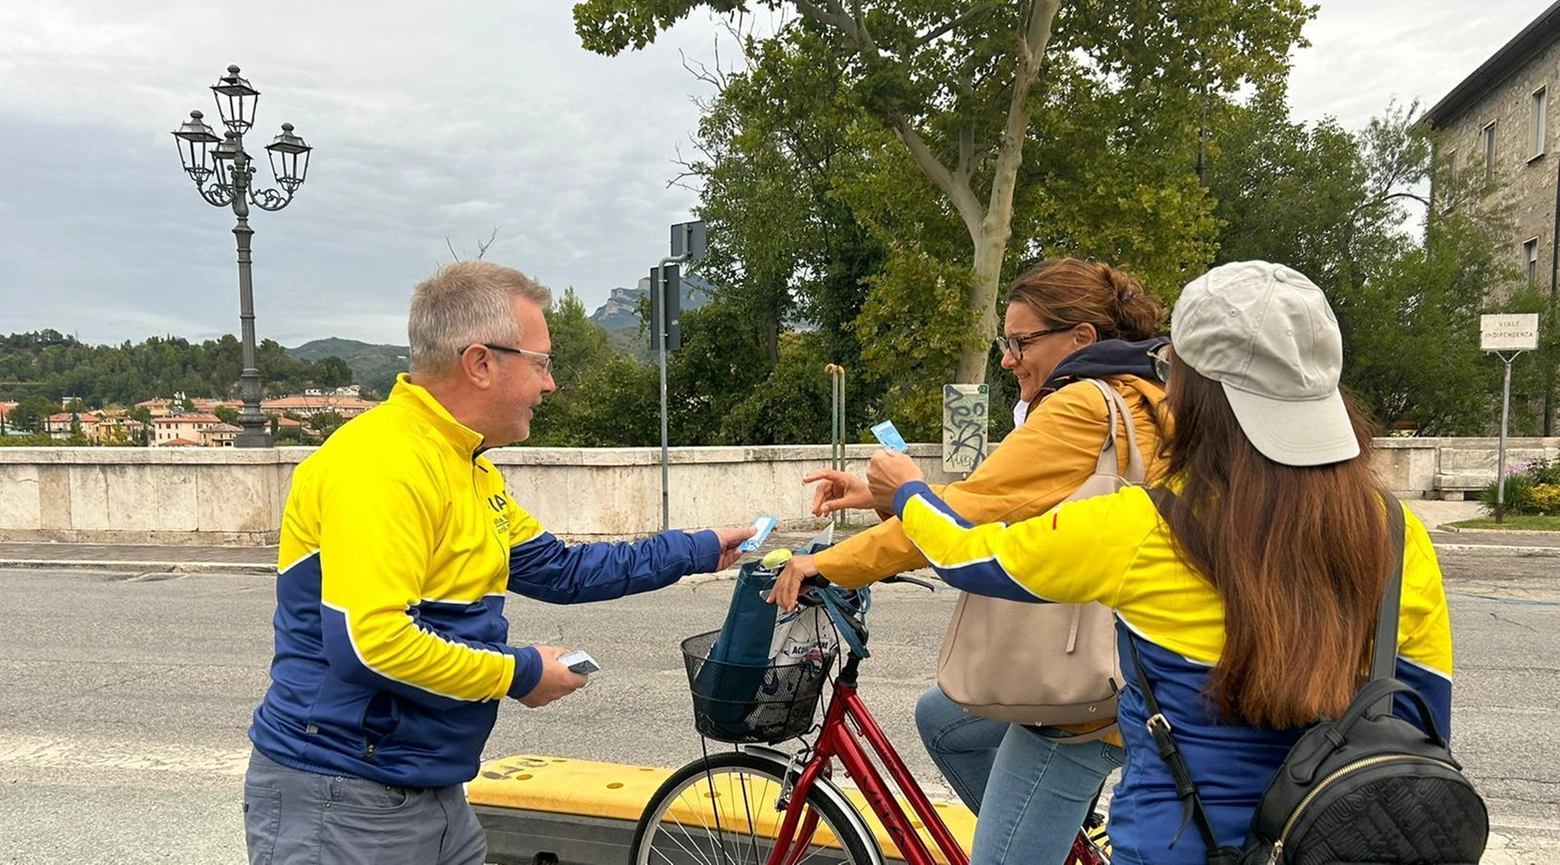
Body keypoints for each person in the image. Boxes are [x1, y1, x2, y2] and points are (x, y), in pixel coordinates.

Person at [866, 261, 1454, 865]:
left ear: (1192, 390)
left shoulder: (1147, 524)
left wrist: (909, 490)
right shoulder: (1395, 532)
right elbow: (1423, 723)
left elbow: (966, 557)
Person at [241, 261, 755, 865]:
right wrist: (519, 673)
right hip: (343, 793)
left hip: (427, 789)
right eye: (540, 362)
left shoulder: (468, 464)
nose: (550, 383)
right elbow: (369, 642)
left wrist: (699, 548)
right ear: (481, 363)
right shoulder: (382, 463)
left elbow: (562, 570)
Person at [770, 257, 1169, 865]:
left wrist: (830, 563)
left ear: (1081, 339)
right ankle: (1055, 845)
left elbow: (967, 516)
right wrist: (883, 494)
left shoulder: (1080, 406)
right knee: (943, 717)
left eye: (1021, 342)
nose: (1009, 358)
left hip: (1088, 698)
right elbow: (1000, 500)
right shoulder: (1141, 392)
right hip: (1148, 663)